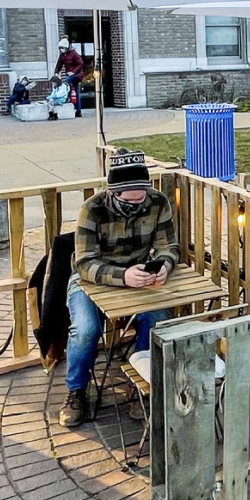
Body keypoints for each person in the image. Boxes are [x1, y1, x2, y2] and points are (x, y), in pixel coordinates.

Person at [61, 149, 178, 427]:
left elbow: (169, 247)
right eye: (129, 200)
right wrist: (123, 276)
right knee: (85, 329)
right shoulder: (92, 208)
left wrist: (163, 266)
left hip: (139, 275)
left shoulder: (158, 202)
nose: (137, 204)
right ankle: (76, 391)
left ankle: (141, 384)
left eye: (141, 197)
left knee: (158, 320)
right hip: (92, 279)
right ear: (113, 192)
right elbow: (84, 264)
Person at [53, 37, 85, 117]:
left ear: (66, 47)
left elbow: (80, 63)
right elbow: (59, 64)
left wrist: (73, 72)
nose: (61, 50)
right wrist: (56, 72)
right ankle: (78, 111)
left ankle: (66, 97)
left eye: (62, 48)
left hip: (77, 74)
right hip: (70, 74)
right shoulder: (62, 55)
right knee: (76, 92)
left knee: (67, 82)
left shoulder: (74, 54)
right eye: (60, 48)